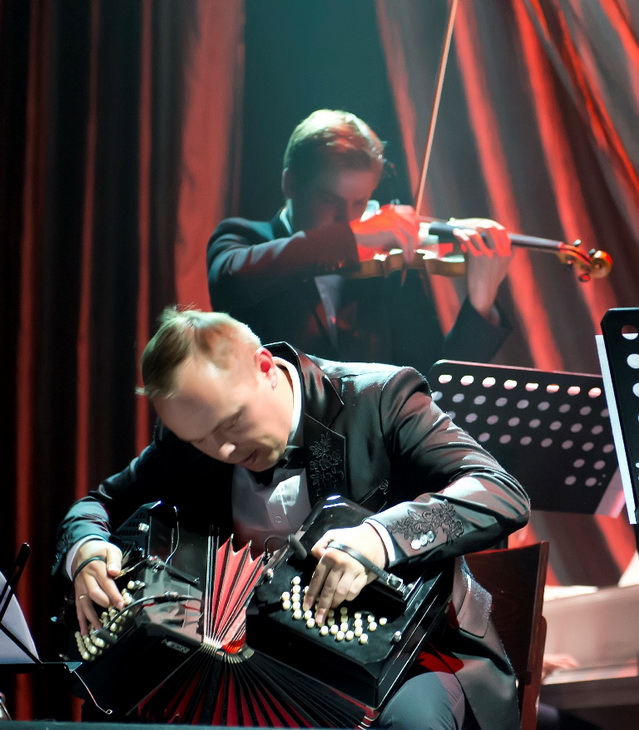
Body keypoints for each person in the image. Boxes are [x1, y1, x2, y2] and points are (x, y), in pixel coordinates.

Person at [54, 307, 530, 729]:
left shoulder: (379, 397)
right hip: (247, 658)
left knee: (411, 724)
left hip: (405, 652)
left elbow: (499, 491)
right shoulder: (186, 442)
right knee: (109, 708)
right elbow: (97, 506)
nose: (223, 450)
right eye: (201, 440)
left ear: (265, 367)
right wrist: (87, 551)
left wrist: (381, 537)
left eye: (232, 423)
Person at [206, 109, 513, 374]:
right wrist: (354, 237)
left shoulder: (386, 266)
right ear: (290, 184)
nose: (347, 218)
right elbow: (229, 282)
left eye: (360, 202)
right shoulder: (244, 238)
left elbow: (430, 385)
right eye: (329, 199)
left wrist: (481, 300)